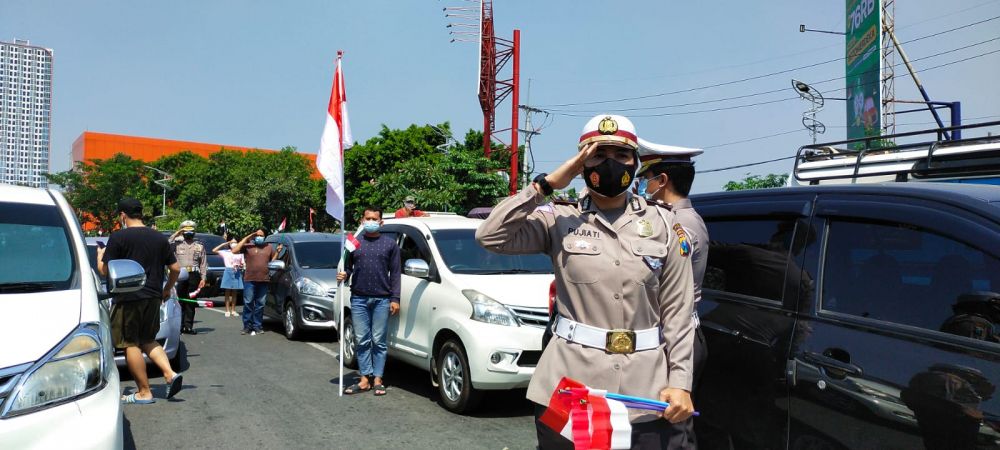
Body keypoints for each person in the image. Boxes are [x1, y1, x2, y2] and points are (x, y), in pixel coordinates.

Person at [476, 114, 696, 449]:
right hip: (571, 388)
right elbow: (490, 236)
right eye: (598, 154)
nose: (610, 163)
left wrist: (680, 381)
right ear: (581, 163)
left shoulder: (665, 224)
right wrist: (545, 185)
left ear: (635, 163)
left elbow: (679, 312)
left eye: (621, 155)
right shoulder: (558, 217)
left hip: (646, 391)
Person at [636, 139, 707, 449]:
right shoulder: (678, 218)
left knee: (673, 430)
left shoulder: (677, 224)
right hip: (674, 334)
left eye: (644, 178)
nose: (641, 185)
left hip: (674, 337)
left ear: (661, 181)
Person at [97, 198, 183, 404]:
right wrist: (166, 290)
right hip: (153, 296)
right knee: (147, 339)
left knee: (130, 343)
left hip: (128, 298)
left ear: (123, 215)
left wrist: (100, 257)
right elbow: (176, 268)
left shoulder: (119, 237)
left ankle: (144, 392)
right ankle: (170, 373)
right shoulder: (159, 238)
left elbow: (105, 271)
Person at [336, 207, 401, 396]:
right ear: (362, 221)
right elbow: (347, 267)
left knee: (378, 341)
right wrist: (344, 274)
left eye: (374, 218)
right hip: (359, 298)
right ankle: (365, 379)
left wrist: (395, 298)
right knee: (362, 340)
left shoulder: (390, 245)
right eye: (368, 218)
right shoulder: (353, 243)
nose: (371, 221)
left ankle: (378, 379)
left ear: (381, 222)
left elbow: (395, 273)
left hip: (382, 299)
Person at [233, 228, 278, 336]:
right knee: (248, 303)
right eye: (257, 235)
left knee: (260, 304)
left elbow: (272, 261)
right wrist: (248, 236)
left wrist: (277, 252)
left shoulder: (269, 247)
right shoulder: (248, 246)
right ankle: (247, 326)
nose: (259, 237)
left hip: (264, 280)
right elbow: (234, 250)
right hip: (250, 279)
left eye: (261, 235)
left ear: (265, 237)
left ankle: (257, 326)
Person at [170, 220, 207, 335]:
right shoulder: (177, 244)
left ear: (194, 233)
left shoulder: (199, 246)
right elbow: (166, 244)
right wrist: (177, 233)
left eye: (191, 232)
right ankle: (180, 326)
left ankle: (188, 326)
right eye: (186, 232)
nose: (188, 234)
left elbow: (203, 263)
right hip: (180, 275)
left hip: (194, 275)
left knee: (191, 301)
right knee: (180, 301)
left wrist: (203, 278)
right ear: (183, 233)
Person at [212, 237, 245, 317]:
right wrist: (224, 244)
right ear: (229, 244)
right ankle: (227, 310)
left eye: (235, 242)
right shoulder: (225, 252)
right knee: (227, 292)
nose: (234, 244)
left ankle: (233, 310)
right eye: (232, 242)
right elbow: (214, 250)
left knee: (234, 292)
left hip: (236, 272)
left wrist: (241, 265)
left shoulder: (240, 253)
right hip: (228, 271)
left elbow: (243, 264)